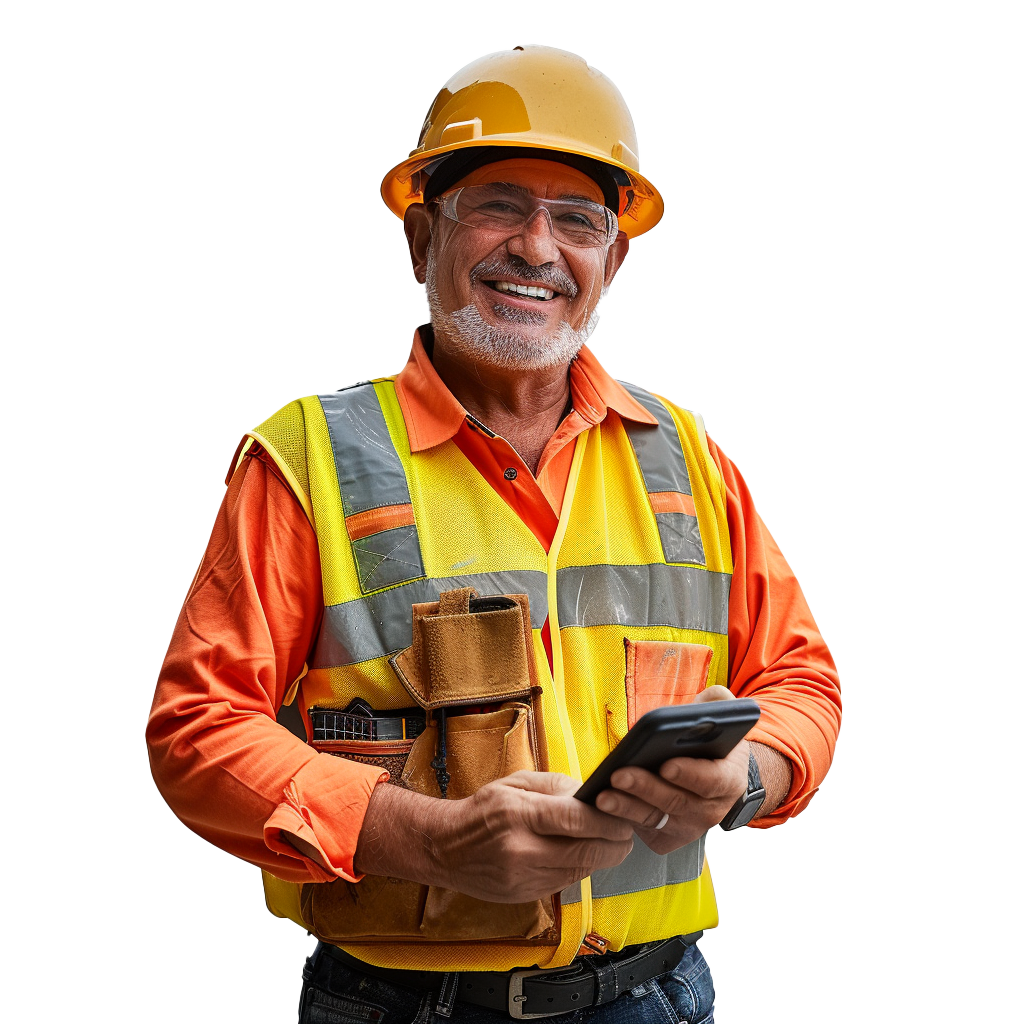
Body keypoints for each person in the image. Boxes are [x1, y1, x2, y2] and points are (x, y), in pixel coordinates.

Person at [147, 44, 841, 1024]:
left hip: (657, 994)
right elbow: (199, 732)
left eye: (576, 221)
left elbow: (801, 683)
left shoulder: (684, 455)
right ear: (422, 237)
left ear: (614, 258)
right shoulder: (307, 456)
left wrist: (749, 774)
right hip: (403, 1005)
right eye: (500, 205)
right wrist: (425, 837)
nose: (536, 247)